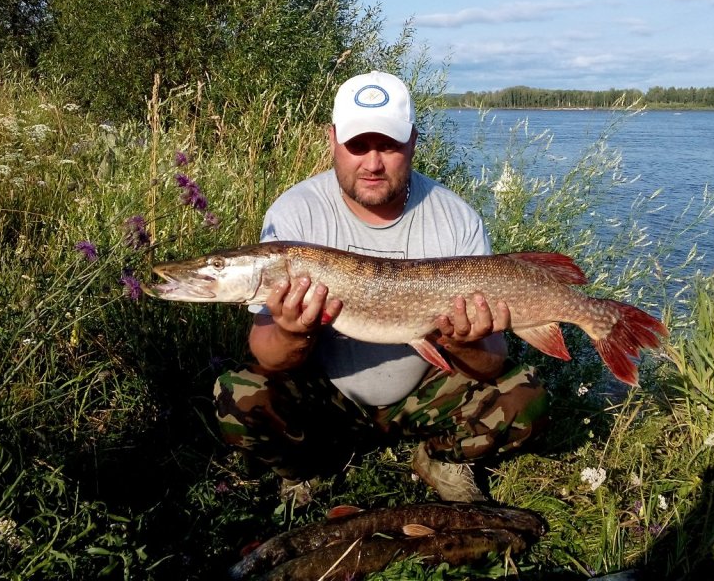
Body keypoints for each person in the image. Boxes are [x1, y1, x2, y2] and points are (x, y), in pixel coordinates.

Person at [213, 71, 549, 502]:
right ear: (332, 139)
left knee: (526, 395)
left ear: (412, 141)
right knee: (237, 393)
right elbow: (266, 354)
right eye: (357, 145)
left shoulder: (457, 218)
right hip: (329, 399)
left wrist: (464, 343)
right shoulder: (295, 213)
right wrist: (292, 330)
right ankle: (305, 466)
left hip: (424, 395)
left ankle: (441, 460)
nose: (372, 163)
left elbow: (492, 363)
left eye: (388, 145)